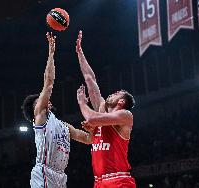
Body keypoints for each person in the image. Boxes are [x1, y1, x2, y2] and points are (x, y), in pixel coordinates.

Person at [22, 32, 93, 188]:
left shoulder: (64, 126)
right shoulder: (40, 119)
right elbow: (48, 82)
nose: (42, 102)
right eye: (38, 102)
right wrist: (51, 53)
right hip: (44, 172)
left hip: (60, 176)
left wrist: (93, 127)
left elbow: (88, 139)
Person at [75, 30, 136, 188]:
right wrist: (80, 53)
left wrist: (82, 103)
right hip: (99, 181)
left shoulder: (125, 116)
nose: (113, 93)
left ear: (121, 102)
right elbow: (90, 78)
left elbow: (92, 119)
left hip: (118, 180)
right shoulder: (101, 108)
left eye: (117, 93)